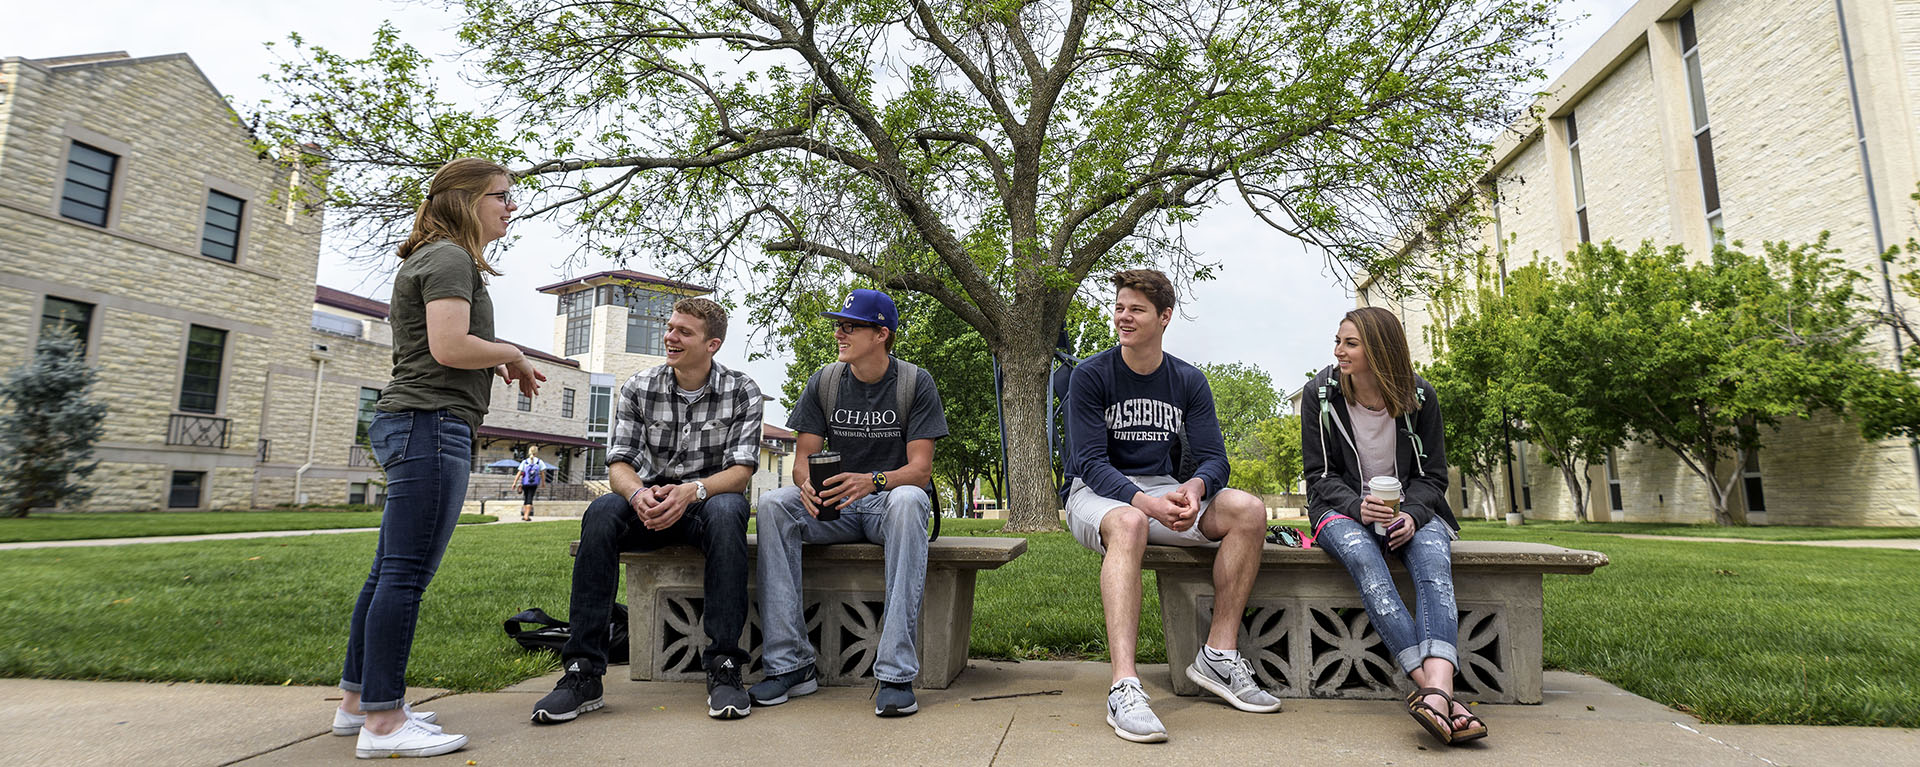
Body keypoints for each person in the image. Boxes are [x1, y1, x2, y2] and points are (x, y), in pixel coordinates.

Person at [334, 158, 544, 759]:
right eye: (501, 197)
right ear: (463, 200)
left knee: (388, 572)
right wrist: (512, 351)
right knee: (405, 575)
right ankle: (383, 723)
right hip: (428, 425)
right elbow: (450, 345)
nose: (511, 207)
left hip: (417, 423)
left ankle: (359, 704)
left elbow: (449, 343)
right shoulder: (449, 257)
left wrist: (502, 354)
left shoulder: (443, 258)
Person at [1063, 269, 1281, 743]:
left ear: (1164, 317)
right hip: (1095, 494)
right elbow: (1090, 463)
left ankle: (1218, 656)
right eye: (1119, 307)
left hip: (1163, 489)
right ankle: (1124, 686)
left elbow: (1214, 458)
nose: (1123, 317)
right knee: (1129, 523)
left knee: (1248, 510)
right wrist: (1147, 504)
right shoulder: (1091, 376)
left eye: (1136, 309)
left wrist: (1196, 490)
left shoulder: (1187, 380)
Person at [531, 298, 764, 723]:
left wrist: (690, 493)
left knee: (731, 510)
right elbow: (619, 462)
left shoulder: (741, 389)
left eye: (683, 332)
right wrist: (638, 496)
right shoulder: (640, 386)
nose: (670, 337)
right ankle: (583, 672)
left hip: (705, 503)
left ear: (712, 345)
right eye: (670, 327)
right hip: (650, 504)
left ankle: (725, 666)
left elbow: (741, 471)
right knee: (601, 511)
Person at [751, 288, 947, 718]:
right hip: (833, 507)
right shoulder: (824, 381)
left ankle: (896, 674)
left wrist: (872, 481)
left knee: (912, 499)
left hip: (886, 506)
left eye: (849, 326)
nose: (839, 333)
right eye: (838, 325)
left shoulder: (915, 383)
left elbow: (919, 470)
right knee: (775, 506)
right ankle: (790, 666)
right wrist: (805, 485)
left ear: (881, 333)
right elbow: (802, 461)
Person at [1301, 306, 1486, 746]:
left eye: (1350, 343)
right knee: (1366, 558)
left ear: (1379, 349)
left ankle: (1435, 689)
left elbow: (1434, 476)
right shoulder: (1321, 395)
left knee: (1432, 562)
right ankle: (1438, 692)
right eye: (1338, 341)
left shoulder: (1421, 396)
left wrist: (1412, 515)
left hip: (1413, 509)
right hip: (1339, 509)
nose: (1338, 351)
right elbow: (1319, 477)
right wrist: (1357, 507)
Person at [516, 447, 544, 521]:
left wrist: (514, 482)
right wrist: (543, 483)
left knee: (526, 498)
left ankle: (525, 514)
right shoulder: (539, 461)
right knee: (530, 498)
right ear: (536, 453)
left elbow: (519, 473)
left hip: (525, 483)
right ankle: (526, 516)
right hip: (534, 483)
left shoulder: (525, 462)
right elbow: (542, 473)